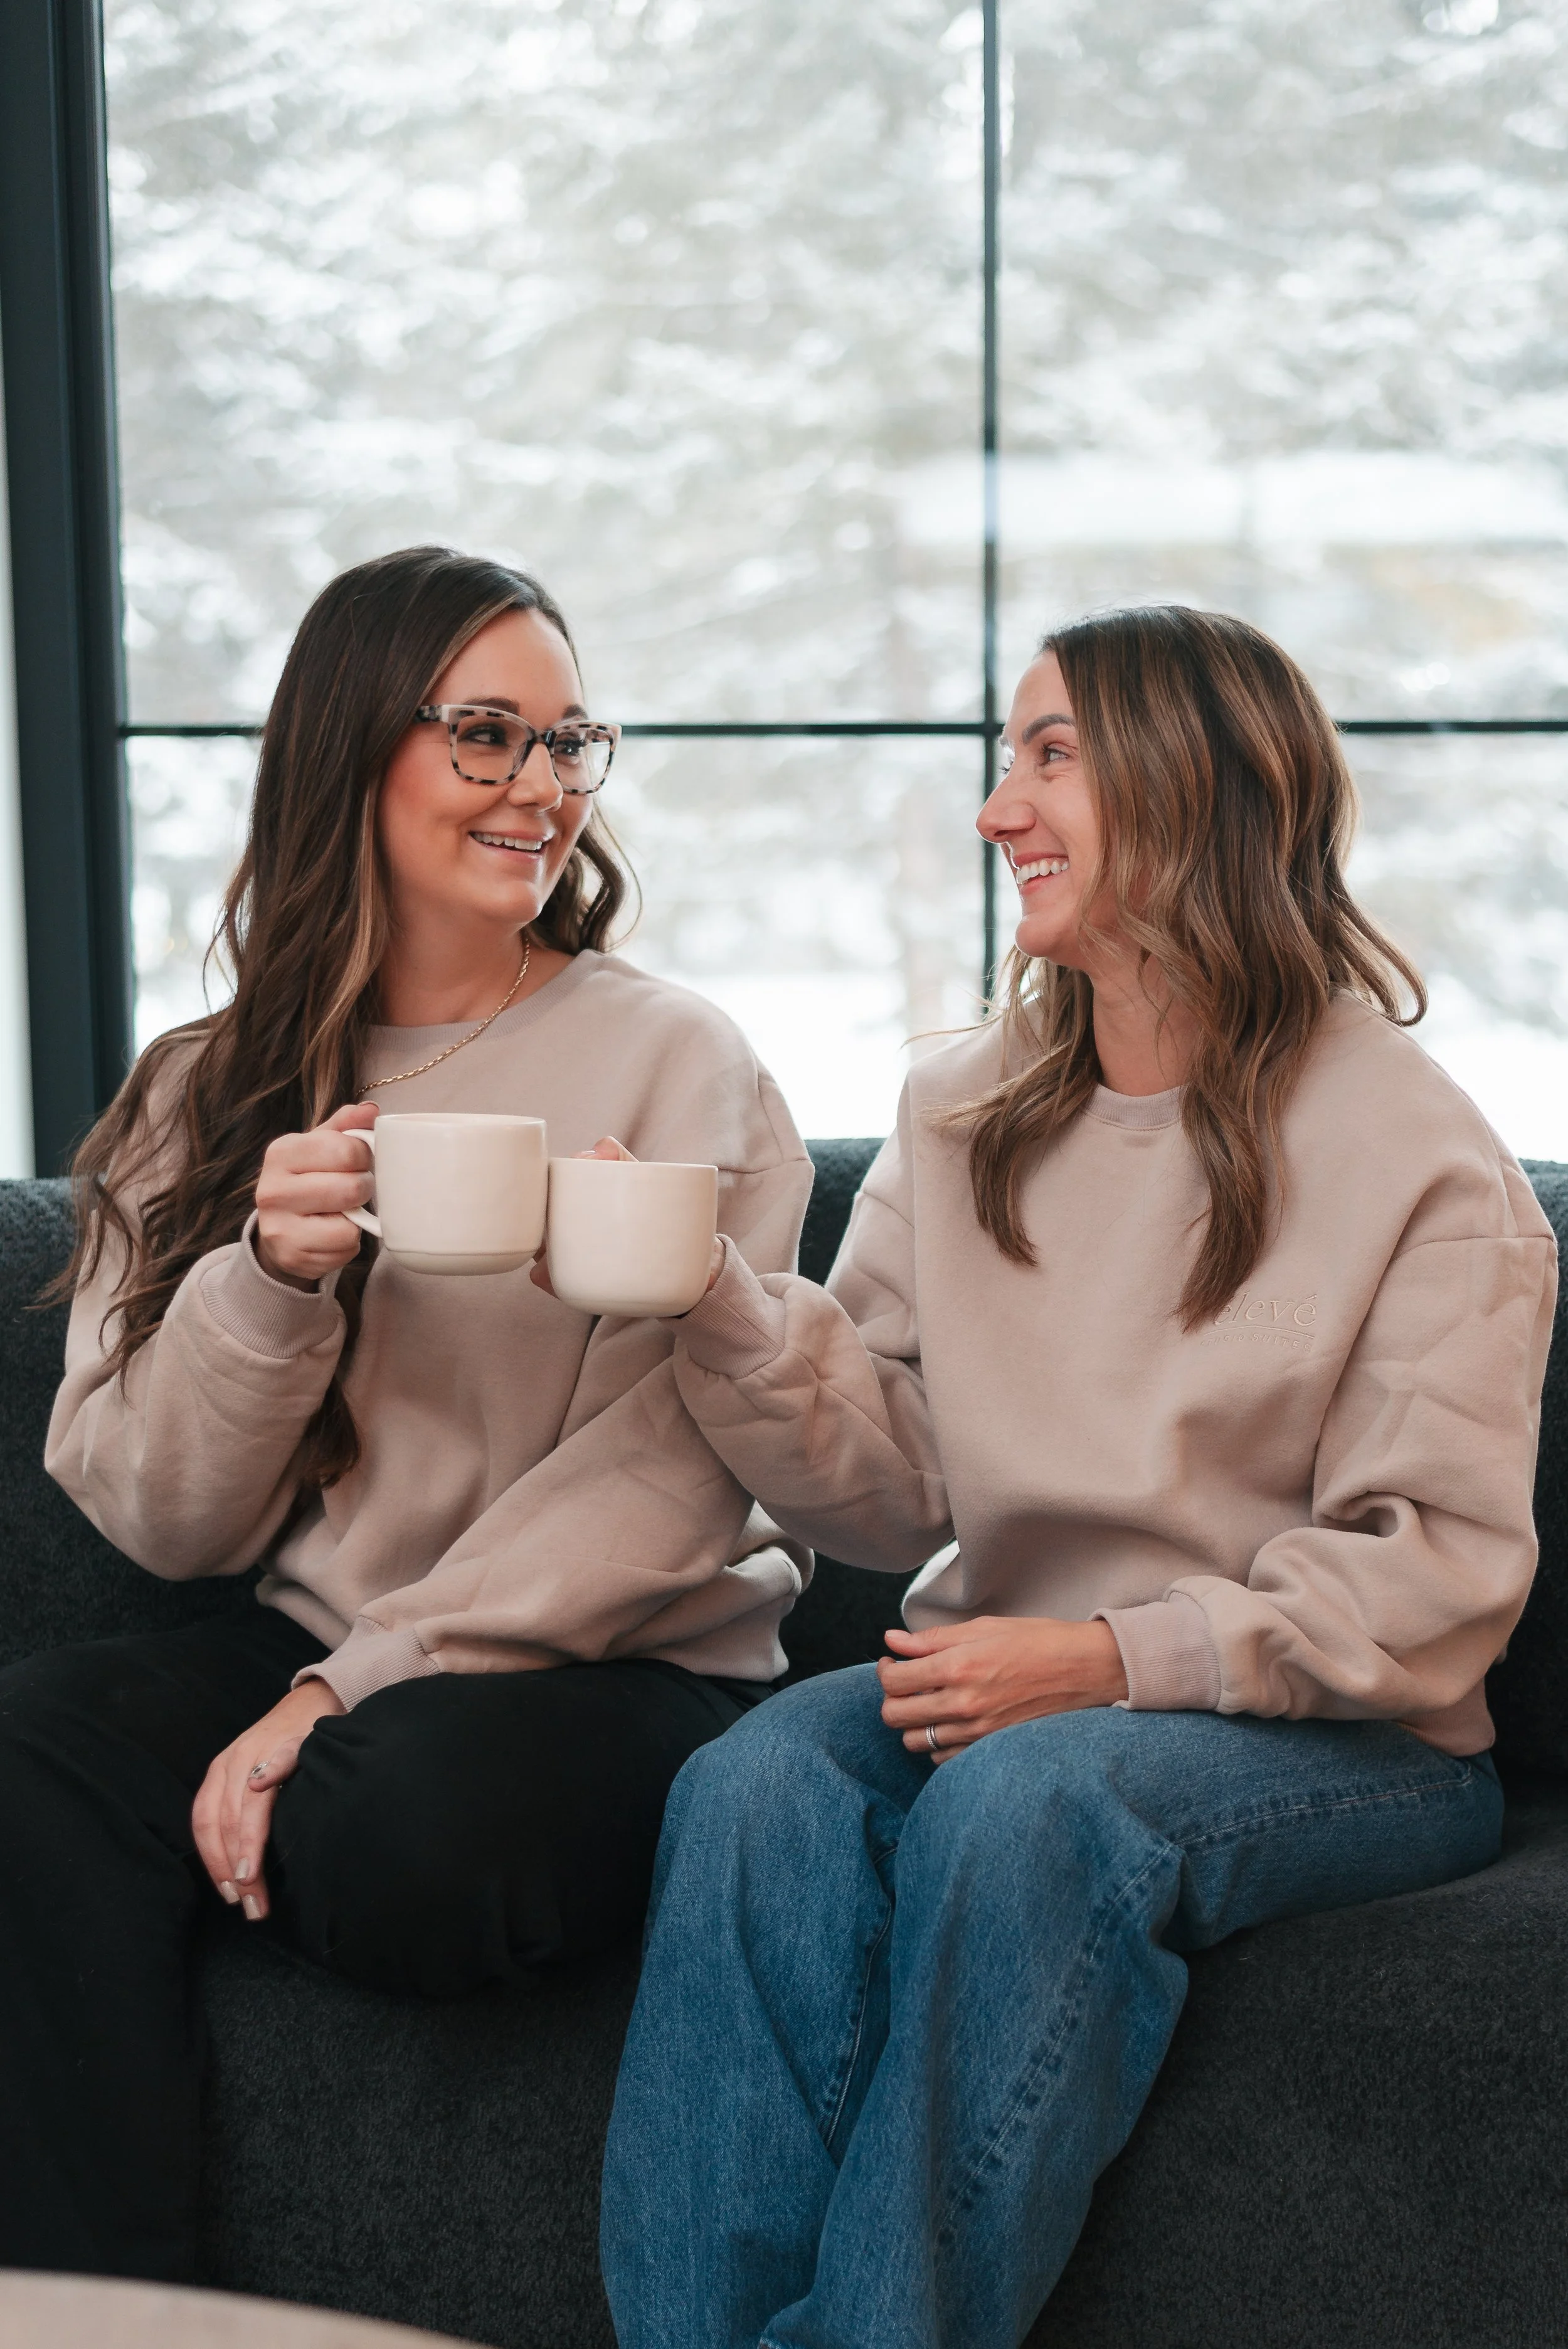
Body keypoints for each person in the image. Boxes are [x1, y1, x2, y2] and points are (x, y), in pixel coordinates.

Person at [599, 605, 1557, 2349]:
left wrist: (1113, 1663)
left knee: (1029, 1805)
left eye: (1048, 756)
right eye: (1002, 758)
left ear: (1193, 788)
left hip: (1351, 1738)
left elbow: (1431, 1575)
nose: (994, 810)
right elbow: (890, 1493)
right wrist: (718, 1305)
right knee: (755, 1794)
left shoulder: (1412, 1149)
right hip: (1007, 1690)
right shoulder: (966, 1113)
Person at [0, 544, 812, 2284]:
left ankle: (296, 1803)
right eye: (487, 737)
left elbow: (670, 1482)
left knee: (405, 1831)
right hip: (322, 1641)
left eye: (571, 742)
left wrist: (332, 1694)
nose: (543, 790)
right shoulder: (203, 1090)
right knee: (31, 1746)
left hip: (612, 1667)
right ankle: (92, 2318)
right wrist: (266, 1288)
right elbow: (162, 1522)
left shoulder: (679, 1062)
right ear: (352, 754)